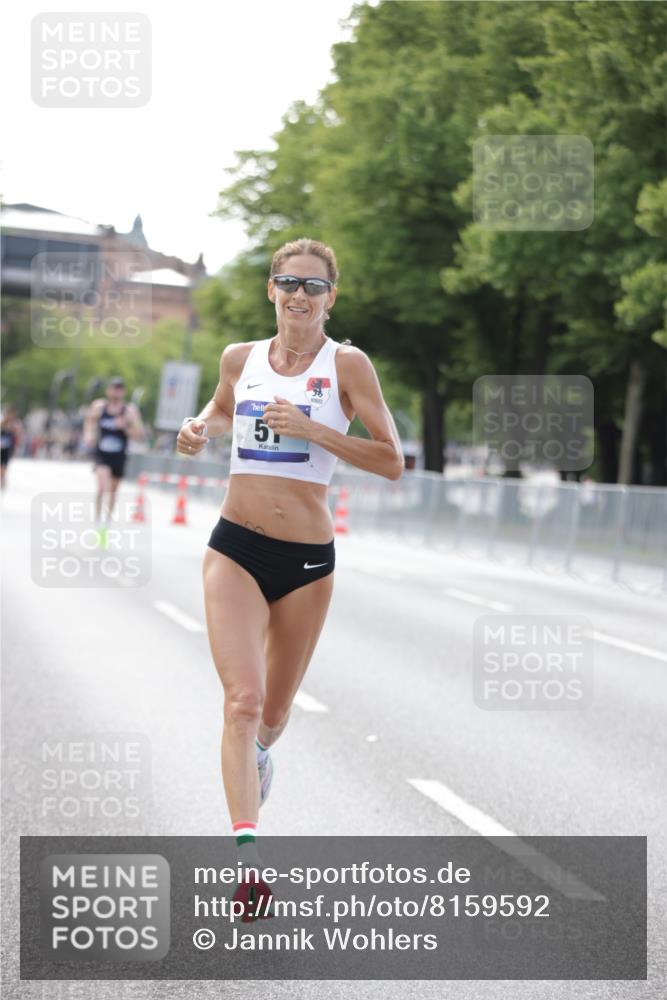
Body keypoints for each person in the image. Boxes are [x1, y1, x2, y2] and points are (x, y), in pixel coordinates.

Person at [176, 237, 404, 917]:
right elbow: (221, 409)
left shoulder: (346, 365)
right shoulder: (239, 359)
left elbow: (391, 459)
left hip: (306, 564)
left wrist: (314, 429)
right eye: (287, 283)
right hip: (235, 547)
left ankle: (261, 761)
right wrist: (198, 429)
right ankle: (247, 863)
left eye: (312, 286)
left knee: (273, 716)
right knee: (242, 704)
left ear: (330, 298)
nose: (299, 296)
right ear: (270, 291)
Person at [83, 377, 145, 527]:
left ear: (123, 392)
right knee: (102, 486)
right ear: (108, 390)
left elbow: (139, 434)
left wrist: (124, 427)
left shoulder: (129, 411)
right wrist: (89, 435)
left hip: (119, 456)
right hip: (102, 454)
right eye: (113, 388)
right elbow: (90, 422)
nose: (116, 392)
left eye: (119, 388)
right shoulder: (99, 406)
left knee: (112, 491)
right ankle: (97, 521)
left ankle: (106, 523)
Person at [0, 406, 24, 491]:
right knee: (1, 464)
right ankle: (2, 477)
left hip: (8, 448)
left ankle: (3, 477)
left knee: (5, 464)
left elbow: (17, 437)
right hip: (1, 447)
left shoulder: (15, 425)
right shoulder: (2, 423)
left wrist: (17, 446)